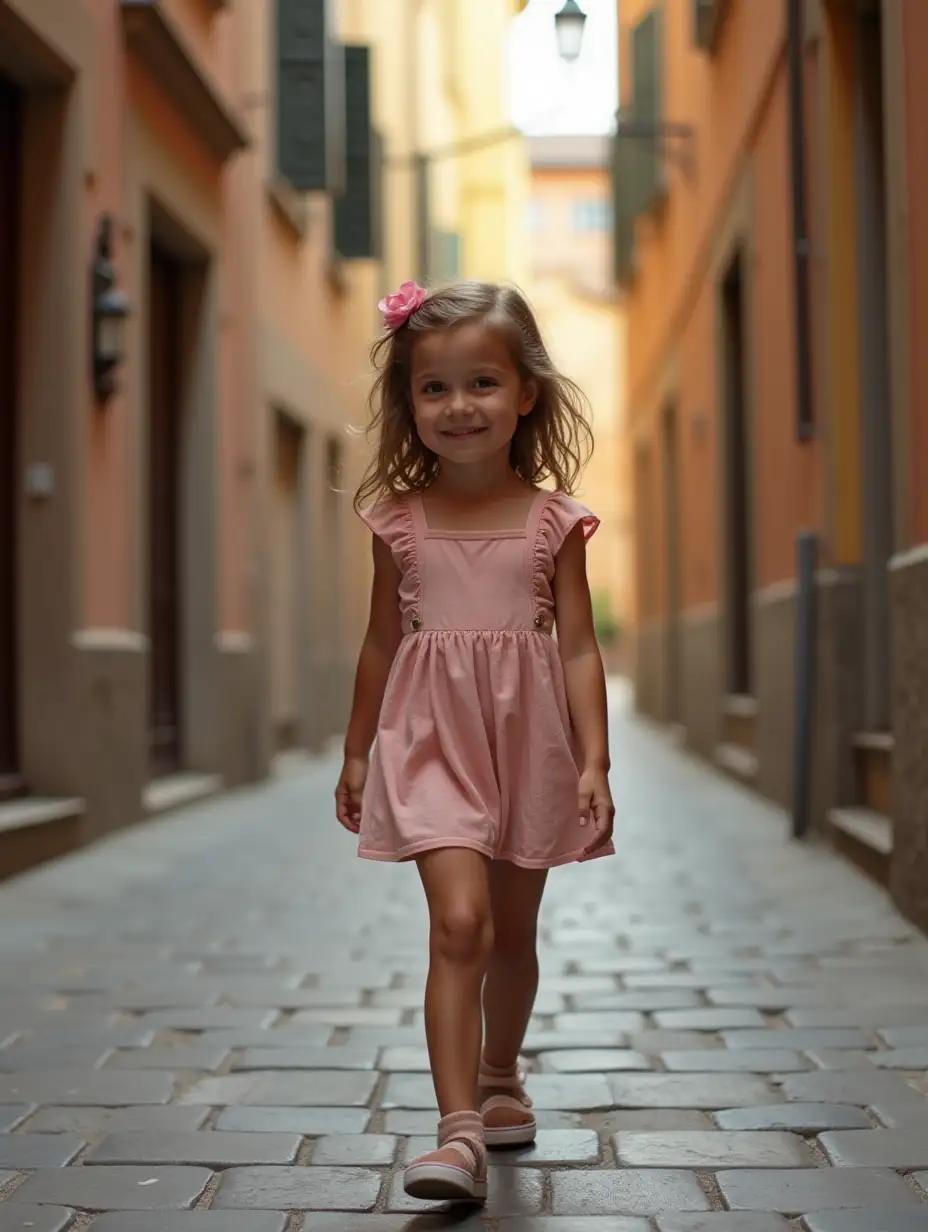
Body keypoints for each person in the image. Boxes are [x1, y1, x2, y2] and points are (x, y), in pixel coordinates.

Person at [335, 279, 615, 1204]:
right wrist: (354, 750)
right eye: (434, 389)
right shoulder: (398, 524)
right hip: (430, 746)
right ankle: (456, 1132)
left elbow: (576, 646)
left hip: (528, 744)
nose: (459, 408)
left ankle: (501, 1075)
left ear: (526, 393)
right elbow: (382, 643)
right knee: (460, 924)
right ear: (408, 404)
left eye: (483, 383)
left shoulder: (554, 523)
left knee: (511, 936)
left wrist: (594, 760)